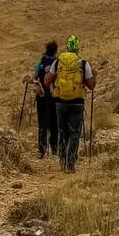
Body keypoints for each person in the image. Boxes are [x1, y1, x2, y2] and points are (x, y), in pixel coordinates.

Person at [46, 34, 96, 173]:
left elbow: (47, 81)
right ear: (77, 48)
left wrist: (52, 87)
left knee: (62, 132)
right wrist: (94, 75)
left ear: (67, 47)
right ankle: (70, 164)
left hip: (60, 103)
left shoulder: (58, 62)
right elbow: (91, 85)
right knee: (74, 133)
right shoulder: (83, 63)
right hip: (77, 103)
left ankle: (62, 161)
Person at [32, 41, 59, 160]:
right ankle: (54, 148)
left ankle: (42, 150)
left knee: (42, 123)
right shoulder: (57, 63)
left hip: (42, 97)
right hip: (55, 97)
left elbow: (34, 78)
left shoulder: (41, 63)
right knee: (54, 122)